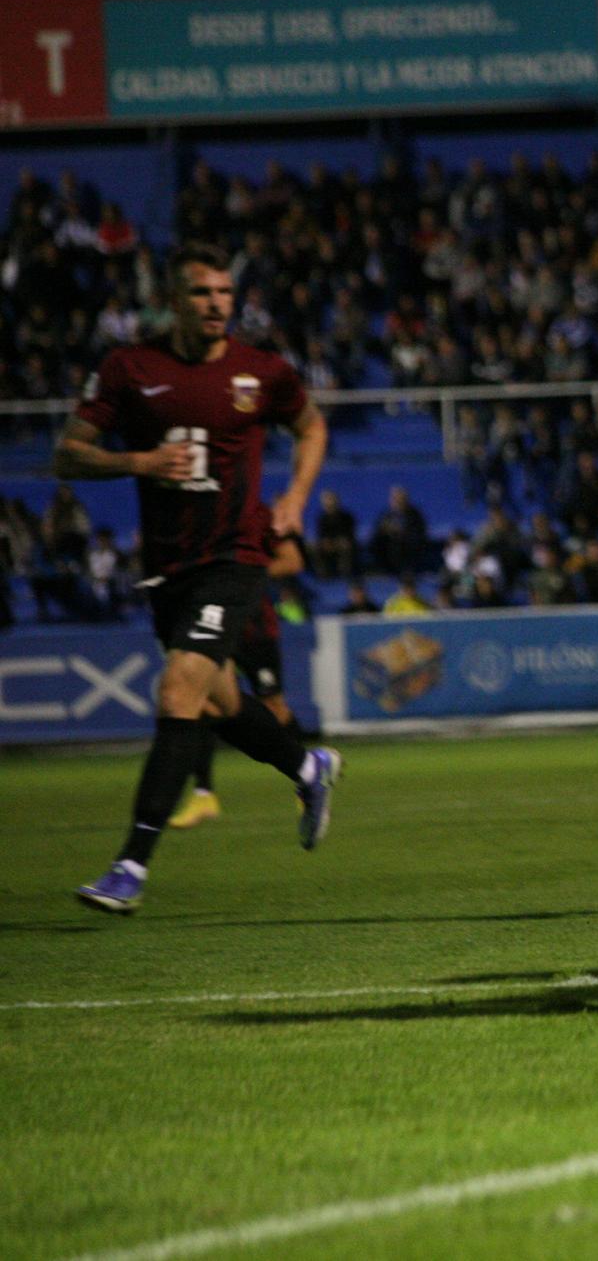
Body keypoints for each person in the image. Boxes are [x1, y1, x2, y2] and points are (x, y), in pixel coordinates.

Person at [59, 242, 342, 914]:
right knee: (217, 701)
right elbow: (68, 453)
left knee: (179, 684)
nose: (217, 305)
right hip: (167, 570)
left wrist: (297, 497)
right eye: (201, 294)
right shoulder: (130, 368)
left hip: (236, 555)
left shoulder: (261, 371)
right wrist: (141, 463)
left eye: (224, 293)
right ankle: (309, 768)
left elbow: (311, 427)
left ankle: (129, 866)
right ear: (172, 299)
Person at [168, 530, 309, 830]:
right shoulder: (202, 522)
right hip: (216, 627)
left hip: (255, 629)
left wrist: (240, 574)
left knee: (274, 708)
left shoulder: (258, 520)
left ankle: (306, 777)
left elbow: (293, 561)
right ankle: (203, 793)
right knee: (204, 699)